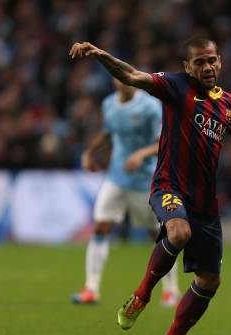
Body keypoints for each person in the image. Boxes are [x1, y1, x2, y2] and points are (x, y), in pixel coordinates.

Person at [69, 37, 231, 335]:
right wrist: (100, 55)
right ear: (187, 67)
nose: (207, 67)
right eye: (199, 62)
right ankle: (141, 295)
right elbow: (131, 75)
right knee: (179, 233)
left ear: (220, 61)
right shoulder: (175, 87)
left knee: (210, 280)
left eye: (211, 60)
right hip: (168, 185)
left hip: (205, 202)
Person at [72, 79, 179, 307]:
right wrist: (90, 152)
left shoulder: (149, 106)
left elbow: (163, 141)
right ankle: (91, 288)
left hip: (143, 181)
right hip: (116, 178)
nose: (124, 81)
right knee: (100, 226)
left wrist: (141, 154)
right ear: (113, 81)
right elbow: (108, 132)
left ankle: (170, 290)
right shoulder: (109, 104)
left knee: (157, 235)